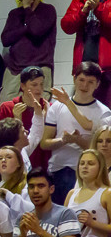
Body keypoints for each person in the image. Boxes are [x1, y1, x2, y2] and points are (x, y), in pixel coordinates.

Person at [41, 61, 111, 204]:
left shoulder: (104, 112)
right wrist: (63, 140)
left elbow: (100, 149)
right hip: (57, 168)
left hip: (87, 172)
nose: (85, 85)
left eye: (90, 82)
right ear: (74, 79)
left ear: (97, 84)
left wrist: (78, 140)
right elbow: (44, 143)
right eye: (81, 80)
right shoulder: (57, 107)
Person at [61, 0, 111, 107]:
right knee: (83, 111)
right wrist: (83, 12)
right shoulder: (80, 1)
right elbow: (67, 27)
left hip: (108, 69)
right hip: (84, 68)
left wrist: (98, 8)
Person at [0, 0, 57, 103]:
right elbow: (6, 39)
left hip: (40, 66)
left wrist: (27, 8)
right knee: (6, 105)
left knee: (37, 107)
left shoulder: (47, 10)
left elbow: (36, 31)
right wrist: (25, 28)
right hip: (15, 69)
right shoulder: (14, 14)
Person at [0, 65, 51, 170]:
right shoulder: (7, 108)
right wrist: (17, 120)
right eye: (34, 84)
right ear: (23, 86)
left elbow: (37, 135)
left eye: (41, 84)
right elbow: (2, 143)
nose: (39, 89)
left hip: (43, 167)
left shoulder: (49, 108)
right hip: (14, 168)